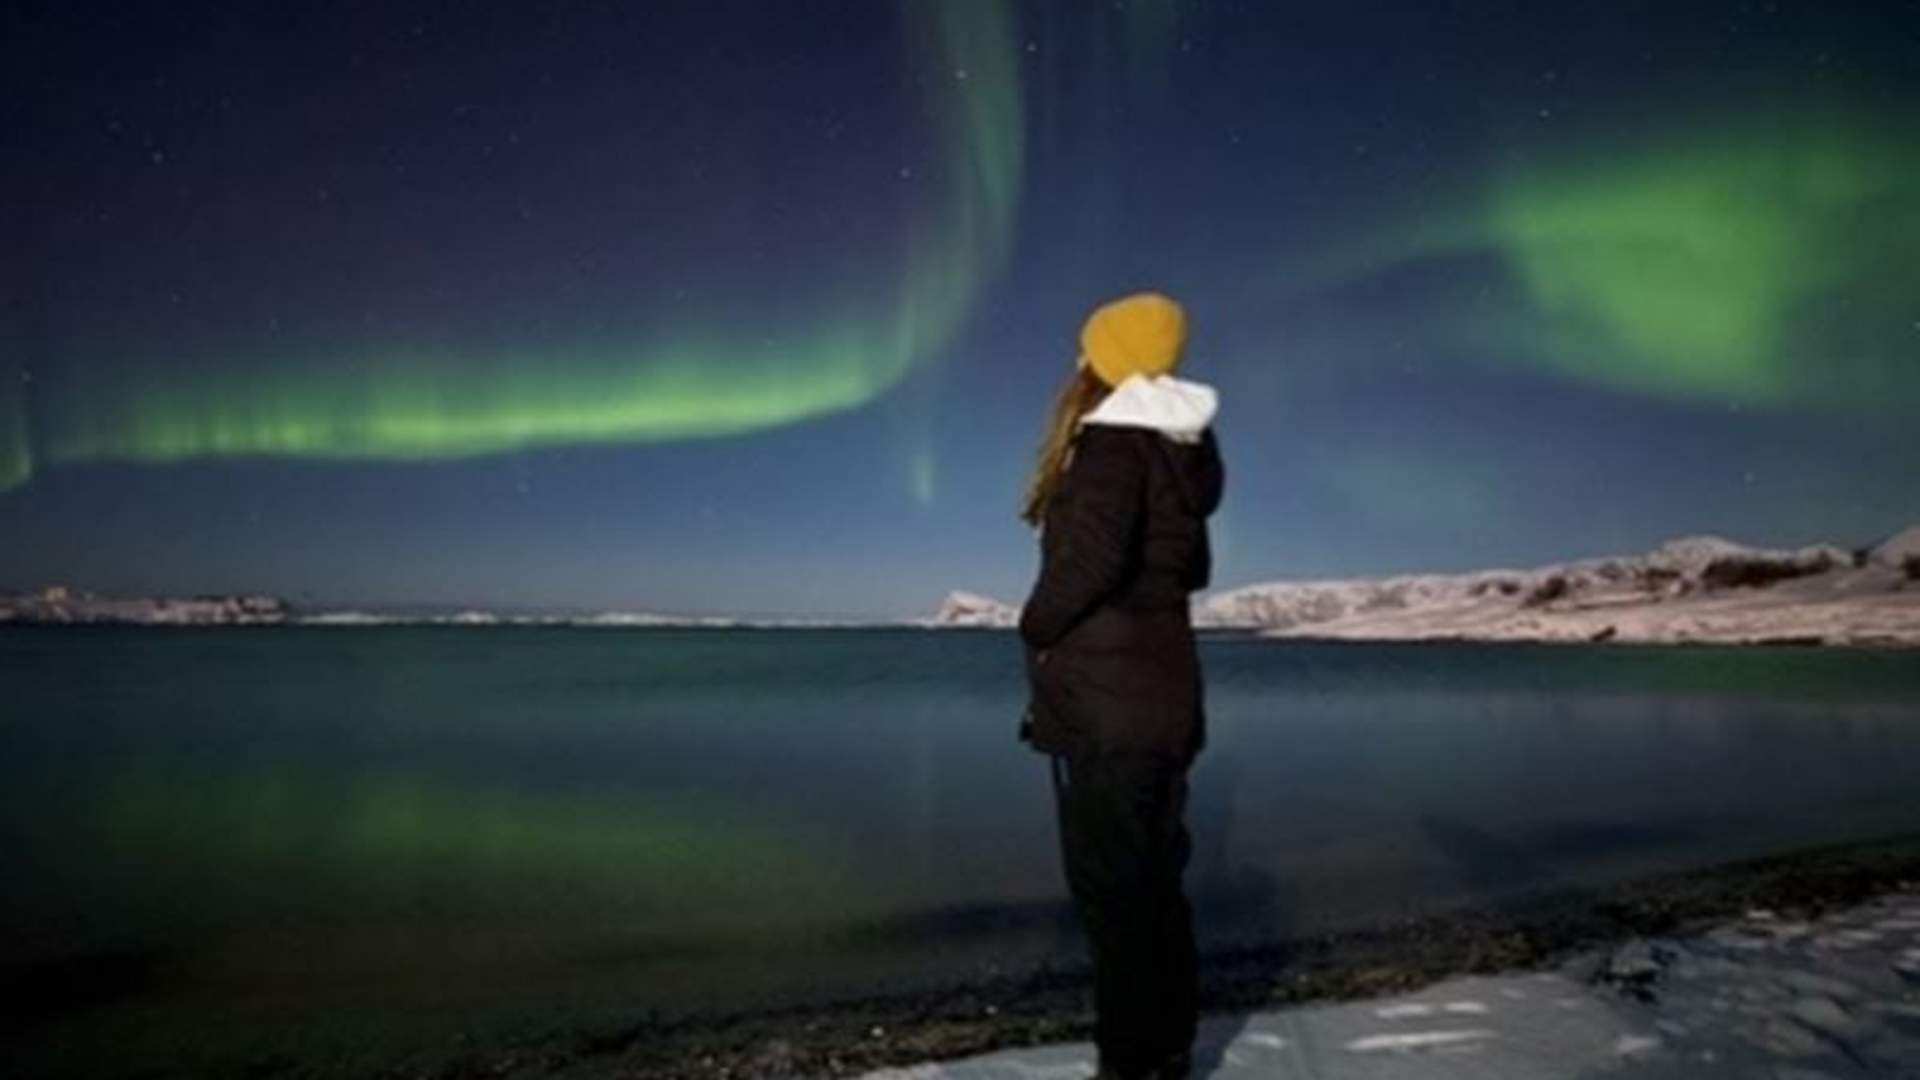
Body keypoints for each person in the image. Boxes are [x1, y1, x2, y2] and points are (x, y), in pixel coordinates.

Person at [1017, 291, 1225, 1080]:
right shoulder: (1174, 451)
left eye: (1084, 352)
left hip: (1110, 708)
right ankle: (1166, 1051)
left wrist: (1035, 624)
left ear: (1103, 362)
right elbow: (1190, 568)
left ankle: (1133, 1064)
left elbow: (1094, 562)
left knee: (1115, 897)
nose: (1074, 365)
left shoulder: (1110, 446)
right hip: (1163, 698)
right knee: (1152, 887)